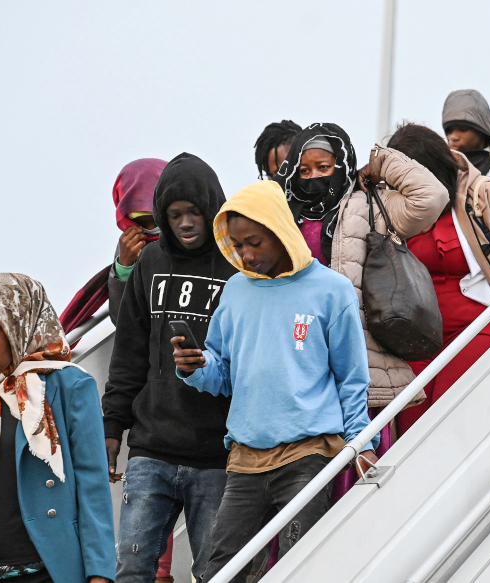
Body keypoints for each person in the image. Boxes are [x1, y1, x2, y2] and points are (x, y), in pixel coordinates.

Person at [172, 181, 378, 583]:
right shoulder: (236, 291)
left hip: (309, 453)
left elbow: (352, 379)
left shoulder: (332, 291)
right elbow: (223, 374)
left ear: (282, 232)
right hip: (246, 459)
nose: (246, 254)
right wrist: (195, 368)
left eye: (254, 242)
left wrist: (361, 443)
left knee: (298, 567)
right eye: (237, 244)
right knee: (218, 571)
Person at [102, 153, 235, 583]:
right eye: (175, 214)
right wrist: (111, 429)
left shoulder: (237, 264)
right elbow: (128, 355)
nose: (186, 223)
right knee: (132, 570)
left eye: (195, 211)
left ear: (212, 209)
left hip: (217, 455)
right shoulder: (150, 262)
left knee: (215, 573)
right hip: (150, 451)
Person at [0, 273, 115, 583]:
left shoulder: (69, 386)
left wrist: (100, 573)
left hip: (48, 573)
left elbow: (93, 488)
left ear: (17, 327)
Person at [383, 123, 490, 433]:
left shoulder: (481, 193)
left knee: (451, 418)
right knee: (410, 428)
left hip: (479, 326)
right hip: (417, 341)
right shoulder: (393, 209)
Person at [276, 122, 449, 416]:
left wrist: (381, 162)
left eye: (323, 166)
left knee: (364, 454)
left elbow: (432, 197)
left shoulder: (370, 205)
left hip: (361, 362)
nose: (314, 176)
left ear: (342, 164)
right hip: (301, 357)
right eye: (304, 171)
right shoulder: (284, 215)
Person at [59, 158, 167, 332]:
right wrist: (124, 267)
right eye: (140, 223)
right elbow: (121, 319)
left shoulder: (192, 235)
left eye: (155, 220)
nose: (150, 229)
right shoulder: (130, 245)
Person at [442, 89, 490, 177]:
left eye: (463, 129)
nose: (453, 137)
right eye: (449, 131)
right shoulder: (439, 167)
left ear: (481, 131)